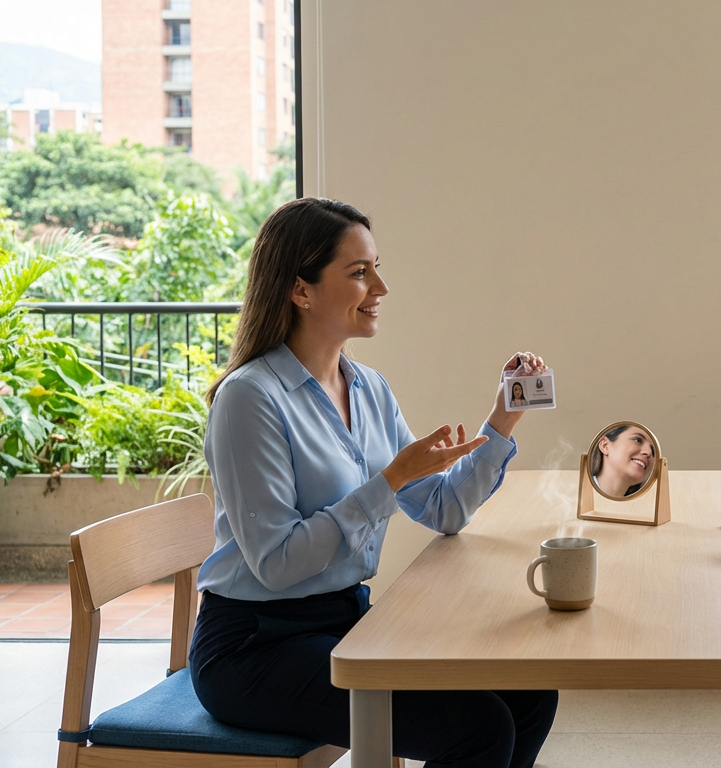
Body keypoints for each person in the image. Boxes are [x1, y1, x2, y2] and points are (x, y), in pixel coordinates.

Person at [187, 197, 558, 768]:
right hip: (255, 649)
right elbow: (276, 563)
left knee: (530, 691)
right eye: (360, 273)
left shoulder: (367, 388)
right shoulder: (249, 399)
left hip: (345, 620)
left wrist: (503, 415)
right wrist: (388, 482)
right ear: (300, 289)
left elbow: (443, 510)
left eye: (377, 267)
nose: (380, 287)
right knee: (478, 729)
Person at [589, 424, 654, 496]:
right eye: (637, 440)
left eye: (653, 451)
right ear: (605, 446)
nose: (649, 452)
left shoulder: (643, 506)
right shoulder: (575, 494)